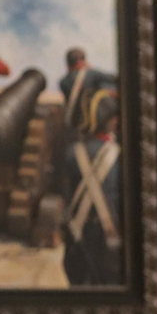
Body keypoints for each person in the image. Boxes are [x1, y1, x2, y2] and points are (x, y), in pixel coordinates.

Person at [60, 89, 123, 286]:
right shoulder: (120, 156)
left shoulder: (72, 153)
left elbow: (65, 194)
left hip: (78, 236)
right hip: (110, 239)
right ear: (112, 121)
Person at [58, 47, 118, 135]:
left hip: (76, 128)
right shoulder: (91, 74)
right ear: (80, 62)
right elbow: (114, 80)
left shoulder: (63, 82)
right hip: (95, 127)